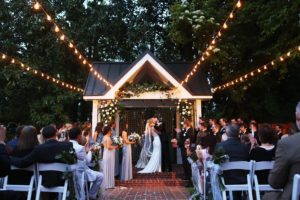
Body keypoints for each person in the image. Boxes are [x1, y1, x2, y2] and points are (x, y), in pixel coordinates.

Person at [263, 101, 300, 200]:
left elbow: (275, 182)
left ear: (297, 115)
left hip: (294, 196)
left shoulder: (288, 143)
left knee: (268, 197)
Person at [69, 127, 103, 200]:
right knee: (100, 176)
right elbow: (87, 161)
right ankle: (91, 195)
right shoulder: (80, 147)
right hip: (80, 172)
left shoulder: (66, 145)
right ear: (78, 136)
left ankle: (90, 195)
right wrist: (90, 151)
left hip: (69, 171)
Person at [176, 119, 195, 185]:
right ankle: (186, 175)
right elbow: (181, 137)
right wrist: (179, 132)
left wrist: (179, 142)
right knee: (184, 162)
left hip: (187, 149)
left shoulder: (190, 131)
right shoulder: (184, 130)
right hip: (183, 149)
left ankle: (190, 179)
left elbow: (187, 140)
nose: (183, 125)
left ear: (186, 124)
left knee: (187, 163)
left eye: (183, 124)